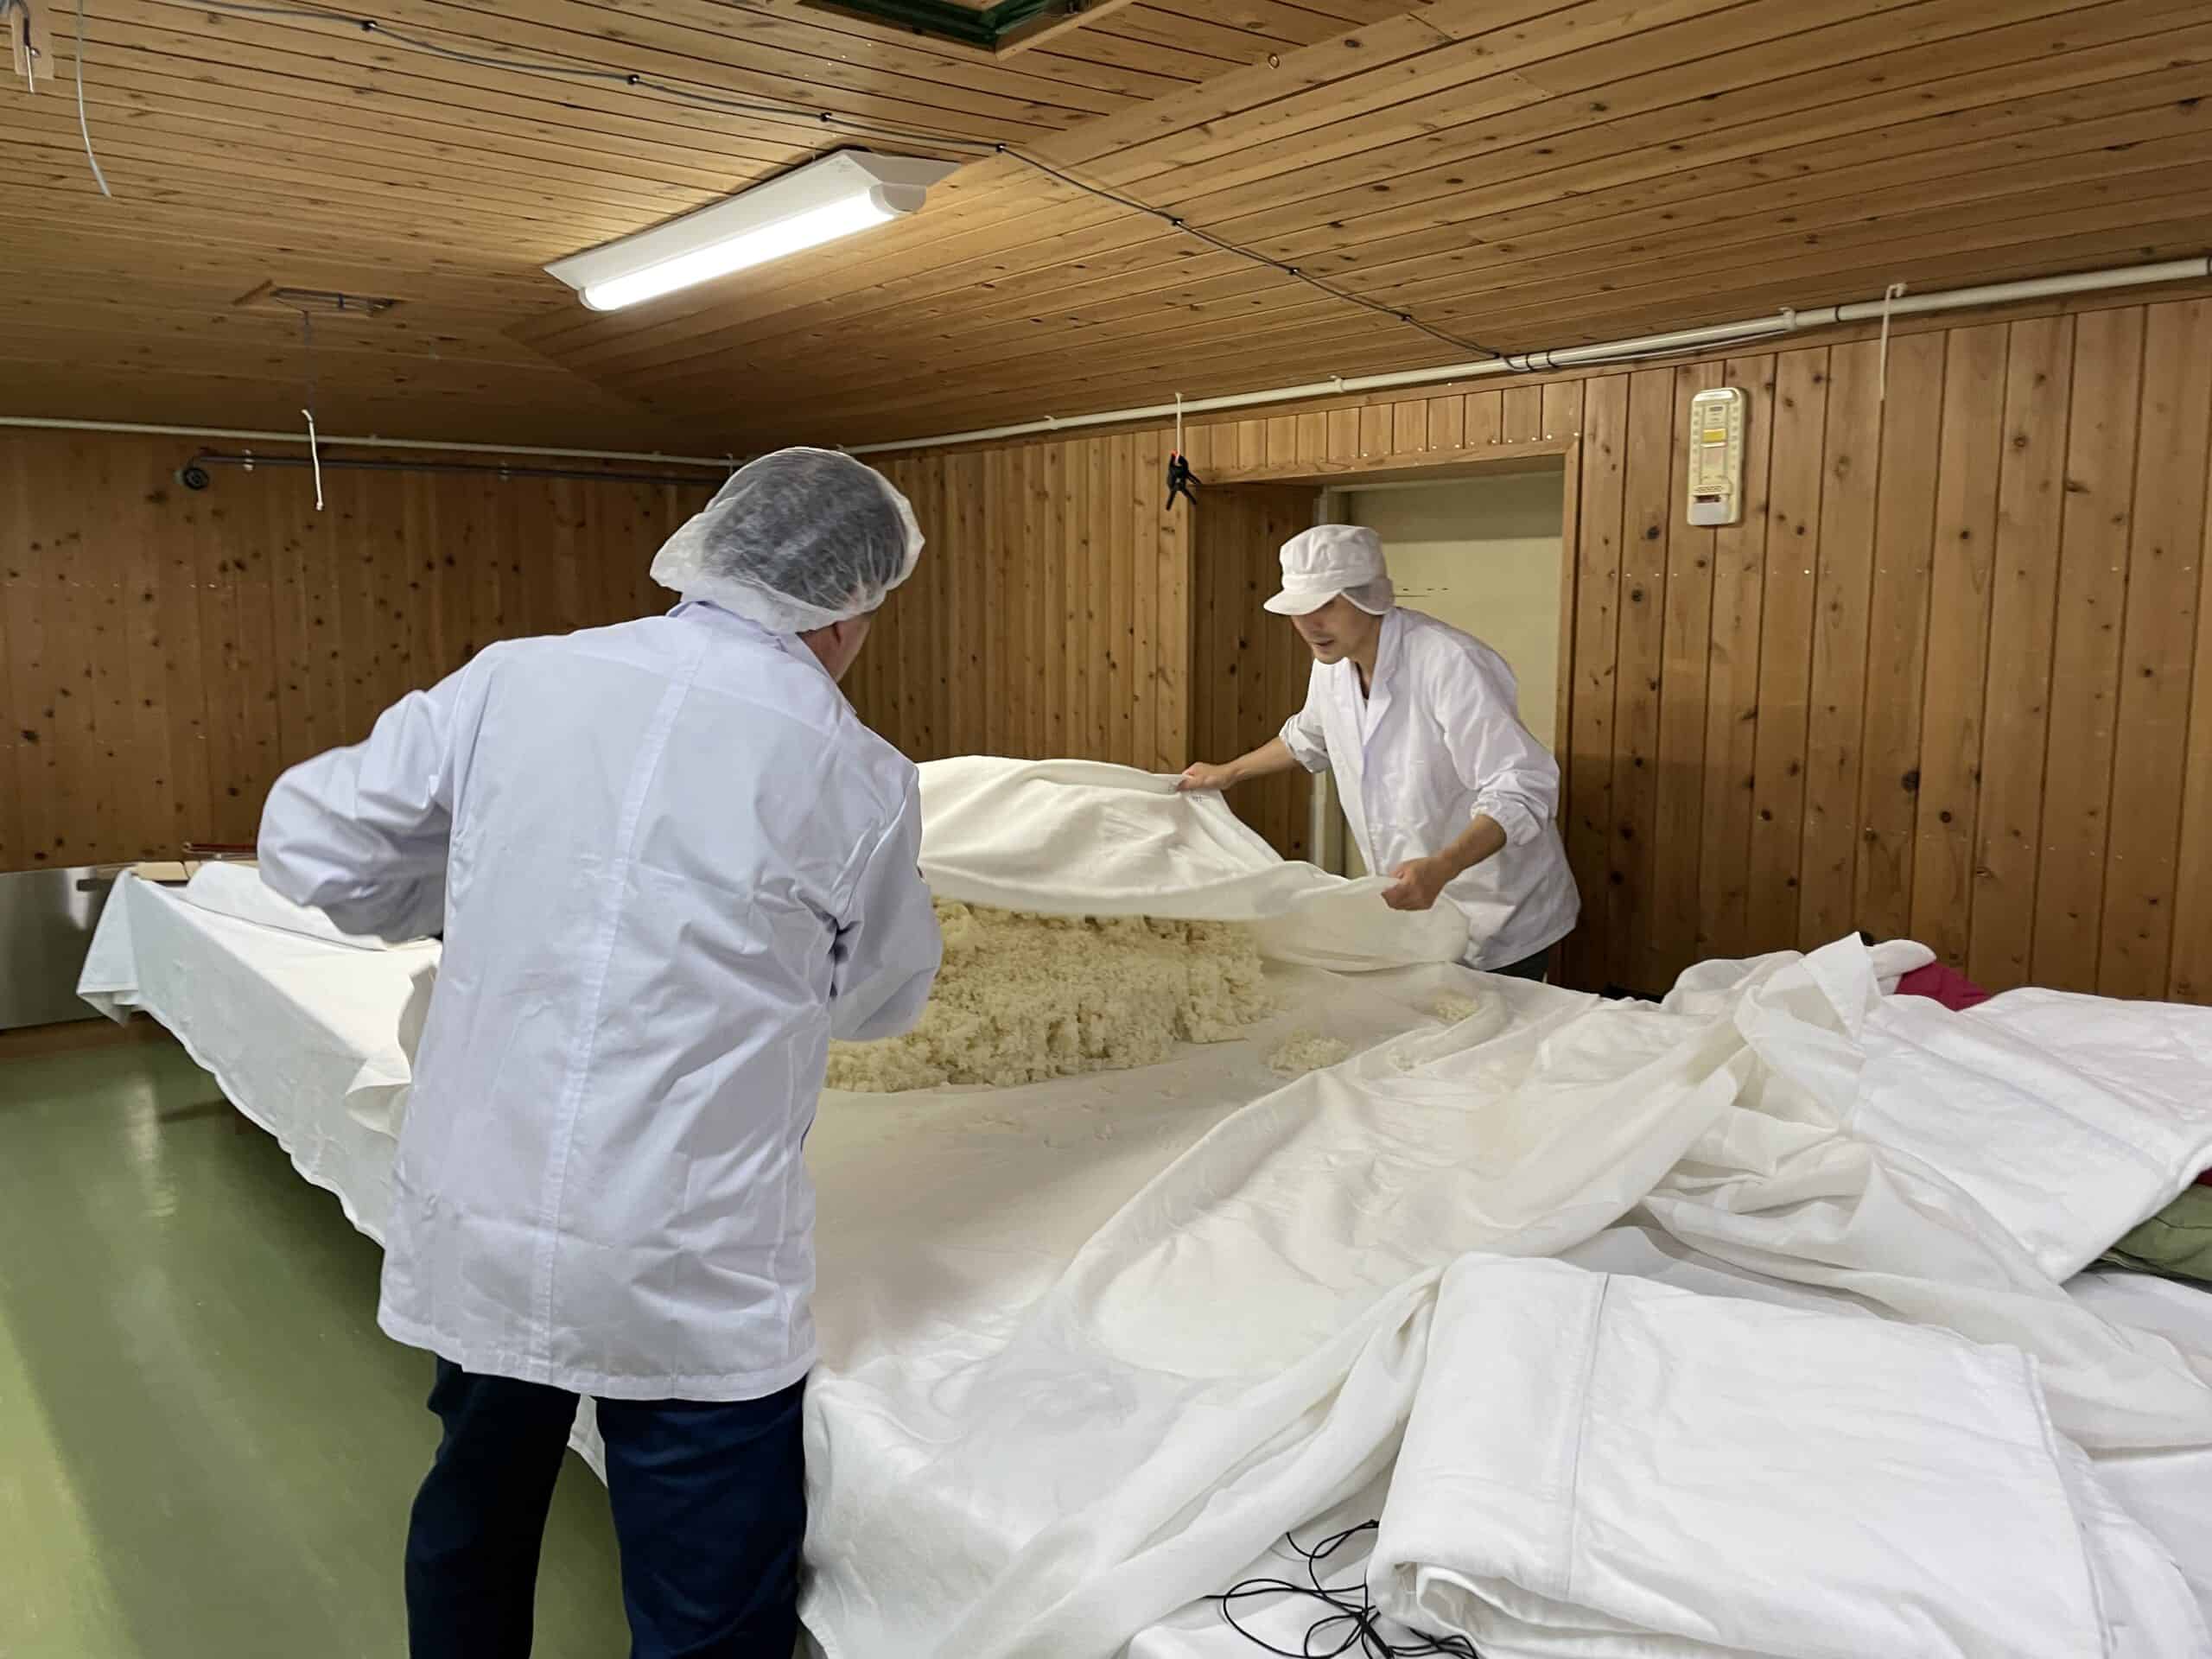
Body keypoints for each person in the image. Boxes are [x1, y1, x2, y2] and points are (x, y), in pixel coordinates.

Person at [257, 448, 944, 1659]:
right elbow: (884, 994)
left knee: (474, 1518)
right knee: (703, 1605)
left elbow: (310, 839)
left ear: (709, 554)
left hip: (489, 1215)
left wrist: (475, 899)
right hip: (686, 1258)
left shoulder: (514, 678)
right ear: (849, 610)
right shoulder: (856, 772)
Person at [1180, 524, 1578, 980]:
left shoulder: (1449, 663)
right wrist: (1228, 773)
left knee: (1495, 1021)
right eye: (1298, 610)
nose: (1309, 624)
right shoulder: (1332, 664)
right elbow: (1308, 737)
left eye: (1325, 606)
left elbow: (1522, 787)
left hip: (1496, 909)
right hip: (1415, 906)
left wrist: (1444, 866)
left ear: (1369, 597)